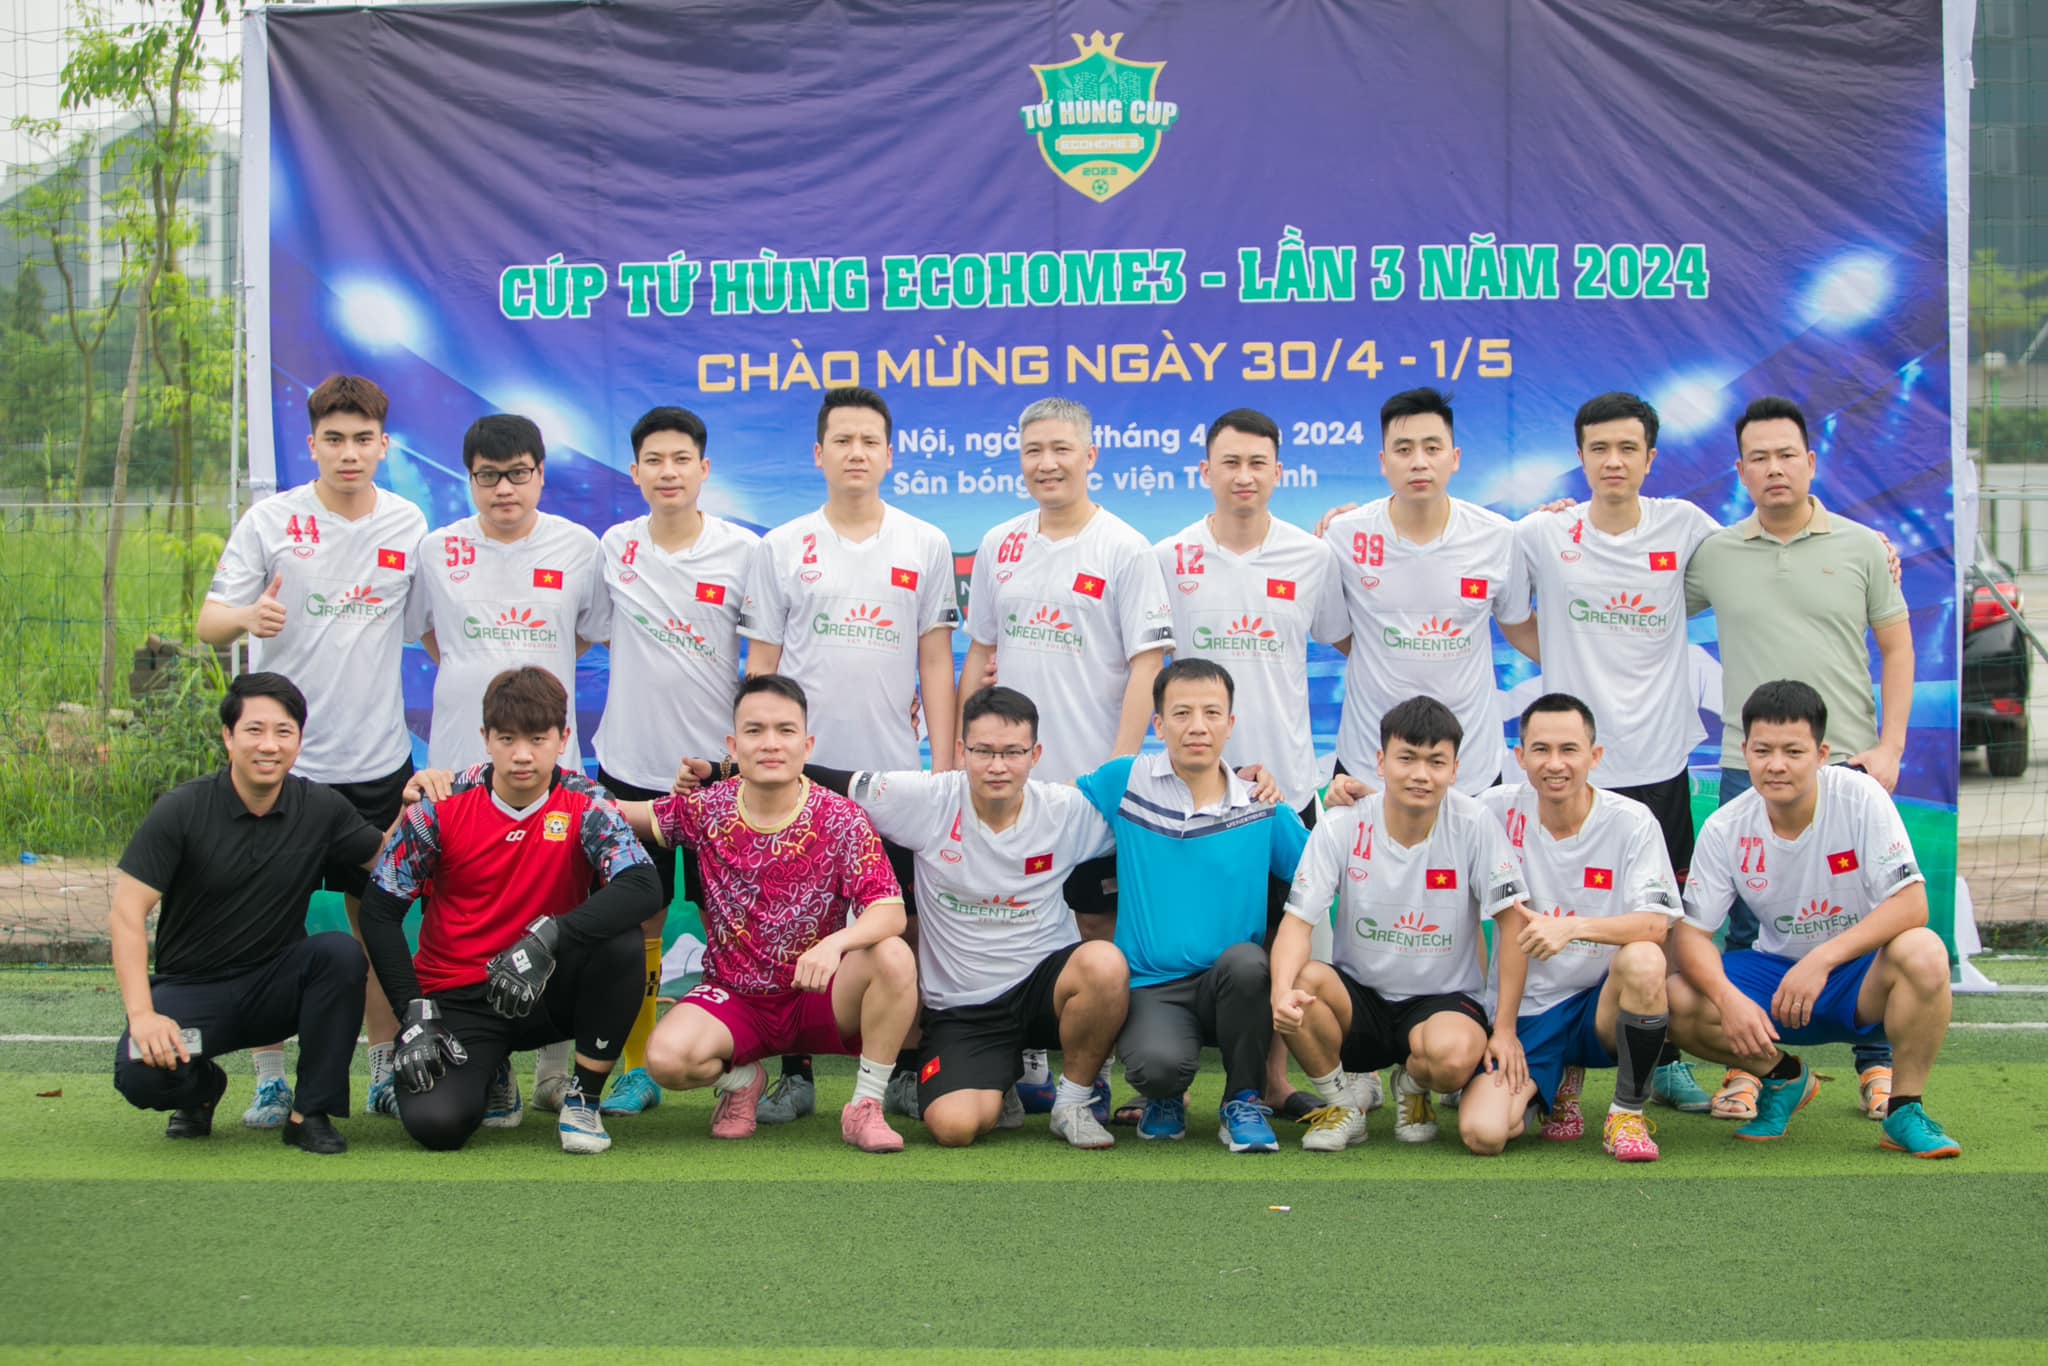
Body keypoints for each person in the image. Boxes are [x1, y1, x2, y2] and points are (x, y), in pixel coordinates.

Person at [197, 374, 425, 1124]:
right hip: (281, 768)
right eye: (334, 439)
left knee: (377, 923)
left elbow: (432, 629)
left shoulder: (408, 524)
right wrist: (245, 618)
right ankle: (270, 1077)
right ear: (312, 445)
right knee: (267, 927)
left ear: (383, 446)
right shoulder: (270, 521)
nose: (348, 453)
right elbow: (208, 623)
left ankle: (384, 1068)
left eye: (362, 440)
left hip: (377, 764)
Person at [1686, 397, 1913, 1121]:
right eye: (1759, 457)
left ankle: (1878, 1064)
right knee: (1746, 923)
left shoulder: (1863, 547)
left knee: (1872, 916)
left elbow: (1897, 648)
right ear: (1741, 470)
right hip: (1744, 760)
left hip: (1848, 763)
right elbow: (1633, 588)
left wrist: (1890, 747)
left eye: (1787, 454)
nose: (1774, 468)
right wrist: (1567, 518)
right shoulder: (1715, 554)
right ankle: (1755, 1067)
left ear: (1810, 462)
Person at [737, 386, 959, 1123]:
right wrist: (758, 758)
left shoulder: (924, 543)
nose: (856, 453)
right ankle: (794, 1072)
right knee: (793, 921)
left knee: (902, 921)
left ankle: (901, 1068)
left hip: (894, 775)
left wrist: (944, 768)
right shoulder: (782, 546)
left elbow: (936, 661)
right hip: (798, 775)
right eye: (842, 440)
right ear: (818, 453)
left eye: (869, 441)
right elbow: (763, 666)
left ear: (890, 456)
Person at [1512, 391, 1722, 1114]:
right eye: (1599, 448)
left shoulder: (1684, 525)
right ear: (1580, 457)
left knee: (1657, 926)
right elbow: (1500, 601)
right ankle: (1552, 1052)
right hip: (1569, 768)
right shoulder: (1544, 534)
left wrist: (1867, 542)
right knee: (1555, 911)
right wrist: (1560, 652)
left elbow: (1757, 548)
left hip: (1658, 765)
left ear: (1650, 458)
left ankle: (1662, 1059)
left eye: (1628, 448)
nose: (1613, 461)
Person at [962, 396, 1175, 1106]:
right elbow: (981, 652)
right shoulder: (1000, 544)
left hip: (1090, 786)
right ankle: (1022, 1061)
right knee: (1010, 915)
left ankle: (1093, 1072)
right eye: (1033, 451)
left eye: (1061, 450)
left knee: (1094, 926)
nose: (1047, 464)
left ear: (1090, 455)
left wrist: (1117, 773)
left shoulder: (1125, 548)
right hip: (1008, 780)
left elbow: (1147, 667)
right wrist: (961, 753)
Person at [615, 675, 920, 1153]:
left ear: (807, 744)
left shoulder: (842, 818)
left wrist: (835, 944)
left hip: (818, 994)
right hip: (735, 1000)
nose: (771, 743)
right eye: (755, 731)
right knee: (666, 1059)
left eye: (785, 730)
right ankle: (743, 1083)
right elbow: (625, 813)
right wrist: (548, 793)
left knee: (894, 956)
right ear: (733, 746)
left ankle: (866, 1106)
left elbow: (889, 910)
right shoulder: (707, 808)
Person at [360, 666, 658, 1155]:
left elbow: (643, 884)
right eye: (507, 739)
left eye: (537, 739)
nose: (522, 754)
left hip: (544, 985)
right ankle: (492, 1071)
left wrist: (548, 937)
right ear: (485, 738)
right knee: (437, 1125)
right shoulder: (441, 803)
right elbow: (378, 911)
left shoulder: (586, 801)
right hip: (460, 995)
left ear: (563, 739)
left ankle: (583, 1098)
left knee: (622, 940)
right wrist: (412, 1012)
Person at [1154, 406, 1354, 1119]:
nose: (1244, 476)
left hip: (1287, 791)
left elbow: (1350, 643)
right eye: (1230, 463)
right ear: (1204, 471)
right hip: (1194, 793)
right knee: (1187, 942)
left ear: (1279, 472)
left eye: (1257, 463)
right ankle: (1168, 1082)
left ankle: (1273, 1082)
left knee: (1286, 944)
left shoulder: (1312, 557)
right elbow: (1146, 663)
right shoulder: (1168, 558)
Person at [827, 686, 1128, 1148]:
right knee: (954, 1127)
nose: (997, 765)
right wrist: (723, 771)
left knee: (1105, 963)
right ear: (962, 751)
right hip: (964, 1008)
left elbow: (1158, 820)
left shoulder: (1066, 810)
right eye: (983, 751)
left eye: (1012, 753)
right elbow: (829, 781)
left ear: (1035, 755)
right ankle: (1002, 1081)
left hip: (1044, 990)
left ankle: (1072, 1103)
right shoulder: (927, 798)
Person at [1666, 680, 1957, 1156]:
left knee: (1924, 951)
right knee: (1670, 996)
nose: (1776, 765)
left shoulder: (1860, 797)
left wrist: (1822, 960)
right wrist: (1727, 999)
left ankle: (1905, 1110)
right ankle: (1783, 1078)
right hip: (1777, 982)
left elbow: (1911, 904)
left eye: (1793, 751)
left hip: (1859, 978)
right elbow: (1693, 936)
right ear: (1745, 752)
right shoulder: (1725, 827)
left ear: (1821, 754)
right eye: (1762, 750)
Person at [409, 412, 606, 1111]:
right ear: (470, 479)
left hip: (549, 767)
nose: (504, 489)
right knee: (460, 904)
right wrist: (476, 670)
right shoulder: (437, 550)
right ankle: (486, 1058)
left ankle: (554, 1066)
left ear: (540, 475)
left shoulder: (579, 548)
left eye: (518, 474)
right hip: (460, 762)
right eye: (488, 476)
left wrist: (530, 689)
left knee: (557, 901)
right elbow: (428, 634)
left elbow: (584, 634)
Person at [110, 673, 386, 1155]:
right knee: (139, 1076)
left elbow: (390, 858)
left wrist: (422, 803)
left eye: (283, 732)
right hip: (194, 993)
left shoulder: (320, 807)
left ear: (299, 741)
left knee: (339, 955)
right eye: (254, 730)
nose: (269, 745)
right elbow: (127, 912)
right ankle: (202, 1089)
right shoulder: (182, 809)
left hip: (275, 991)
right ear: (228, 736)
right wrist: (143, 1015)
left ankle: (309, 1113)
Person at [586, 405, 757, 1118]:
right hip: (630, 772)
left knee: (735, 930)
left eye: (681, 459)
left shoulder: (743, 552)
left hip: (719, 780)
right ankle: (637, 1069)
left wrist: (734, 763)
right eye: (654, 460)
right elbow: (587, 633)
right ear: (635, 472)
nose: (668, 472)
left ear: (704, 468)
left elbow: (766, 661)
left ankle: (739, 1073)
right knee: (639, 930)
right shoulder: (615, 548)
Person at [1270, 696, 1530, 1151]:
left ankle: (1412, 1085)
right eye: (1406, 758)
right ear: (1381, 762)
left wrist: (1504, 1029)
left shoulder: (1474, 824)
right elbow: (1296, 924)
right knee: (1302, 984)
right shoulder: (1341, 825)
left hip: (1443, 1001)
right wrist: (1279, 993)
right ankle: (1342, 1106)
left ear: (1455, 769)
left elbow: (1514, 926)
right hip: (1360, 1000)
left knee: (1454, 1056)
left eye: (1436, 762)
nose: (1420, 774)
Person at [1075, 658, 1308, 1153]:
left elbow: (1320, 868)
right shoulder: (1124, 781)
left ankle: (1243, 1100)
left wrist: (1347, 804)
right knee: (1157, 1068)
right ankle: (1164, 1097)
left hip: (1232, 985)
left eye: (1211, 713)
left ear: (1230, 723)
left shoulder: (1261, 803)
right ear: (1159, 724)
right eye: (1181, 713)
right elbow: (1048, 811)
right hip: (1153, 985)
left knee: (1249, 963)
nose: (1197, 726)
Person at [1458, 694, 1683, 1161]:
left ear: (1594, 756)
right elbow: (1422, 806)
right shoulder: (1491, 810)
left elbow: (1655, 923)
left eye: (1569, 750)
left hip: (1599, 1006)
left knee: (1645, 959)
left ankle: (1626, 1114)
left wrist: (1571, 928)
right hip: (1528, 1012)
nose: (1555, 764)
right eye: (1540, 750)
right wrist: (1358, 797)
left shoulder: (1631, 821)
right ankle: (1556, 1080)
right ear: (1520, 757)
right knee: (1485, 1134)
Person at [1322, 388, 1535, 797]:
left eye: (1432, 448)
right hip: (1369, 761)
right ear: (1383, 462)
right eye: (1403, 450)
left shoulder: (1497, 536)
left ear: (1454, 458)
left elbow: (1519, 624)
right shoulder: (1344, 535)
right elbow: (1339, 632)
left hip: (1469, 763)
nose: (1418, 462)